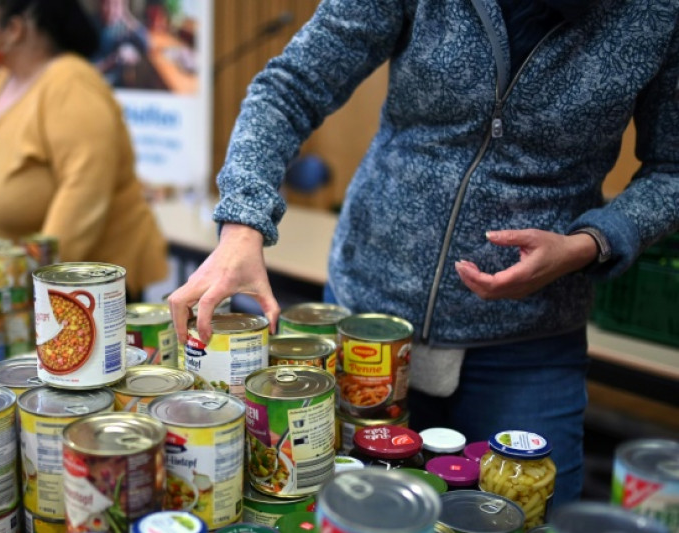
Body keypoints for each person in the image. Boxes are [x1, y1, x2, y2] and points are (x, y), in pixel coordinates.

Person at [168, 0, 679, 506]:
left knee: (532, 513)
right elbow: (291, 85)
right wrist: (242, 222)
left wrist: (590, 243)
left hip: (527, 340)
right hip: (366, 320)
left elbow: (671, 169)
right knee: (351, 508)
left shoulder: (657, 13)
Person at [0, 0, 168, 298]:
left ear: (15, 29)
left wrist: (34, 290)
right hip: (15, 288)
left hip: (85, 296)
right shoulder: (2, 81)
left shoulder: (71, 82)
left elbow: (82, 199)